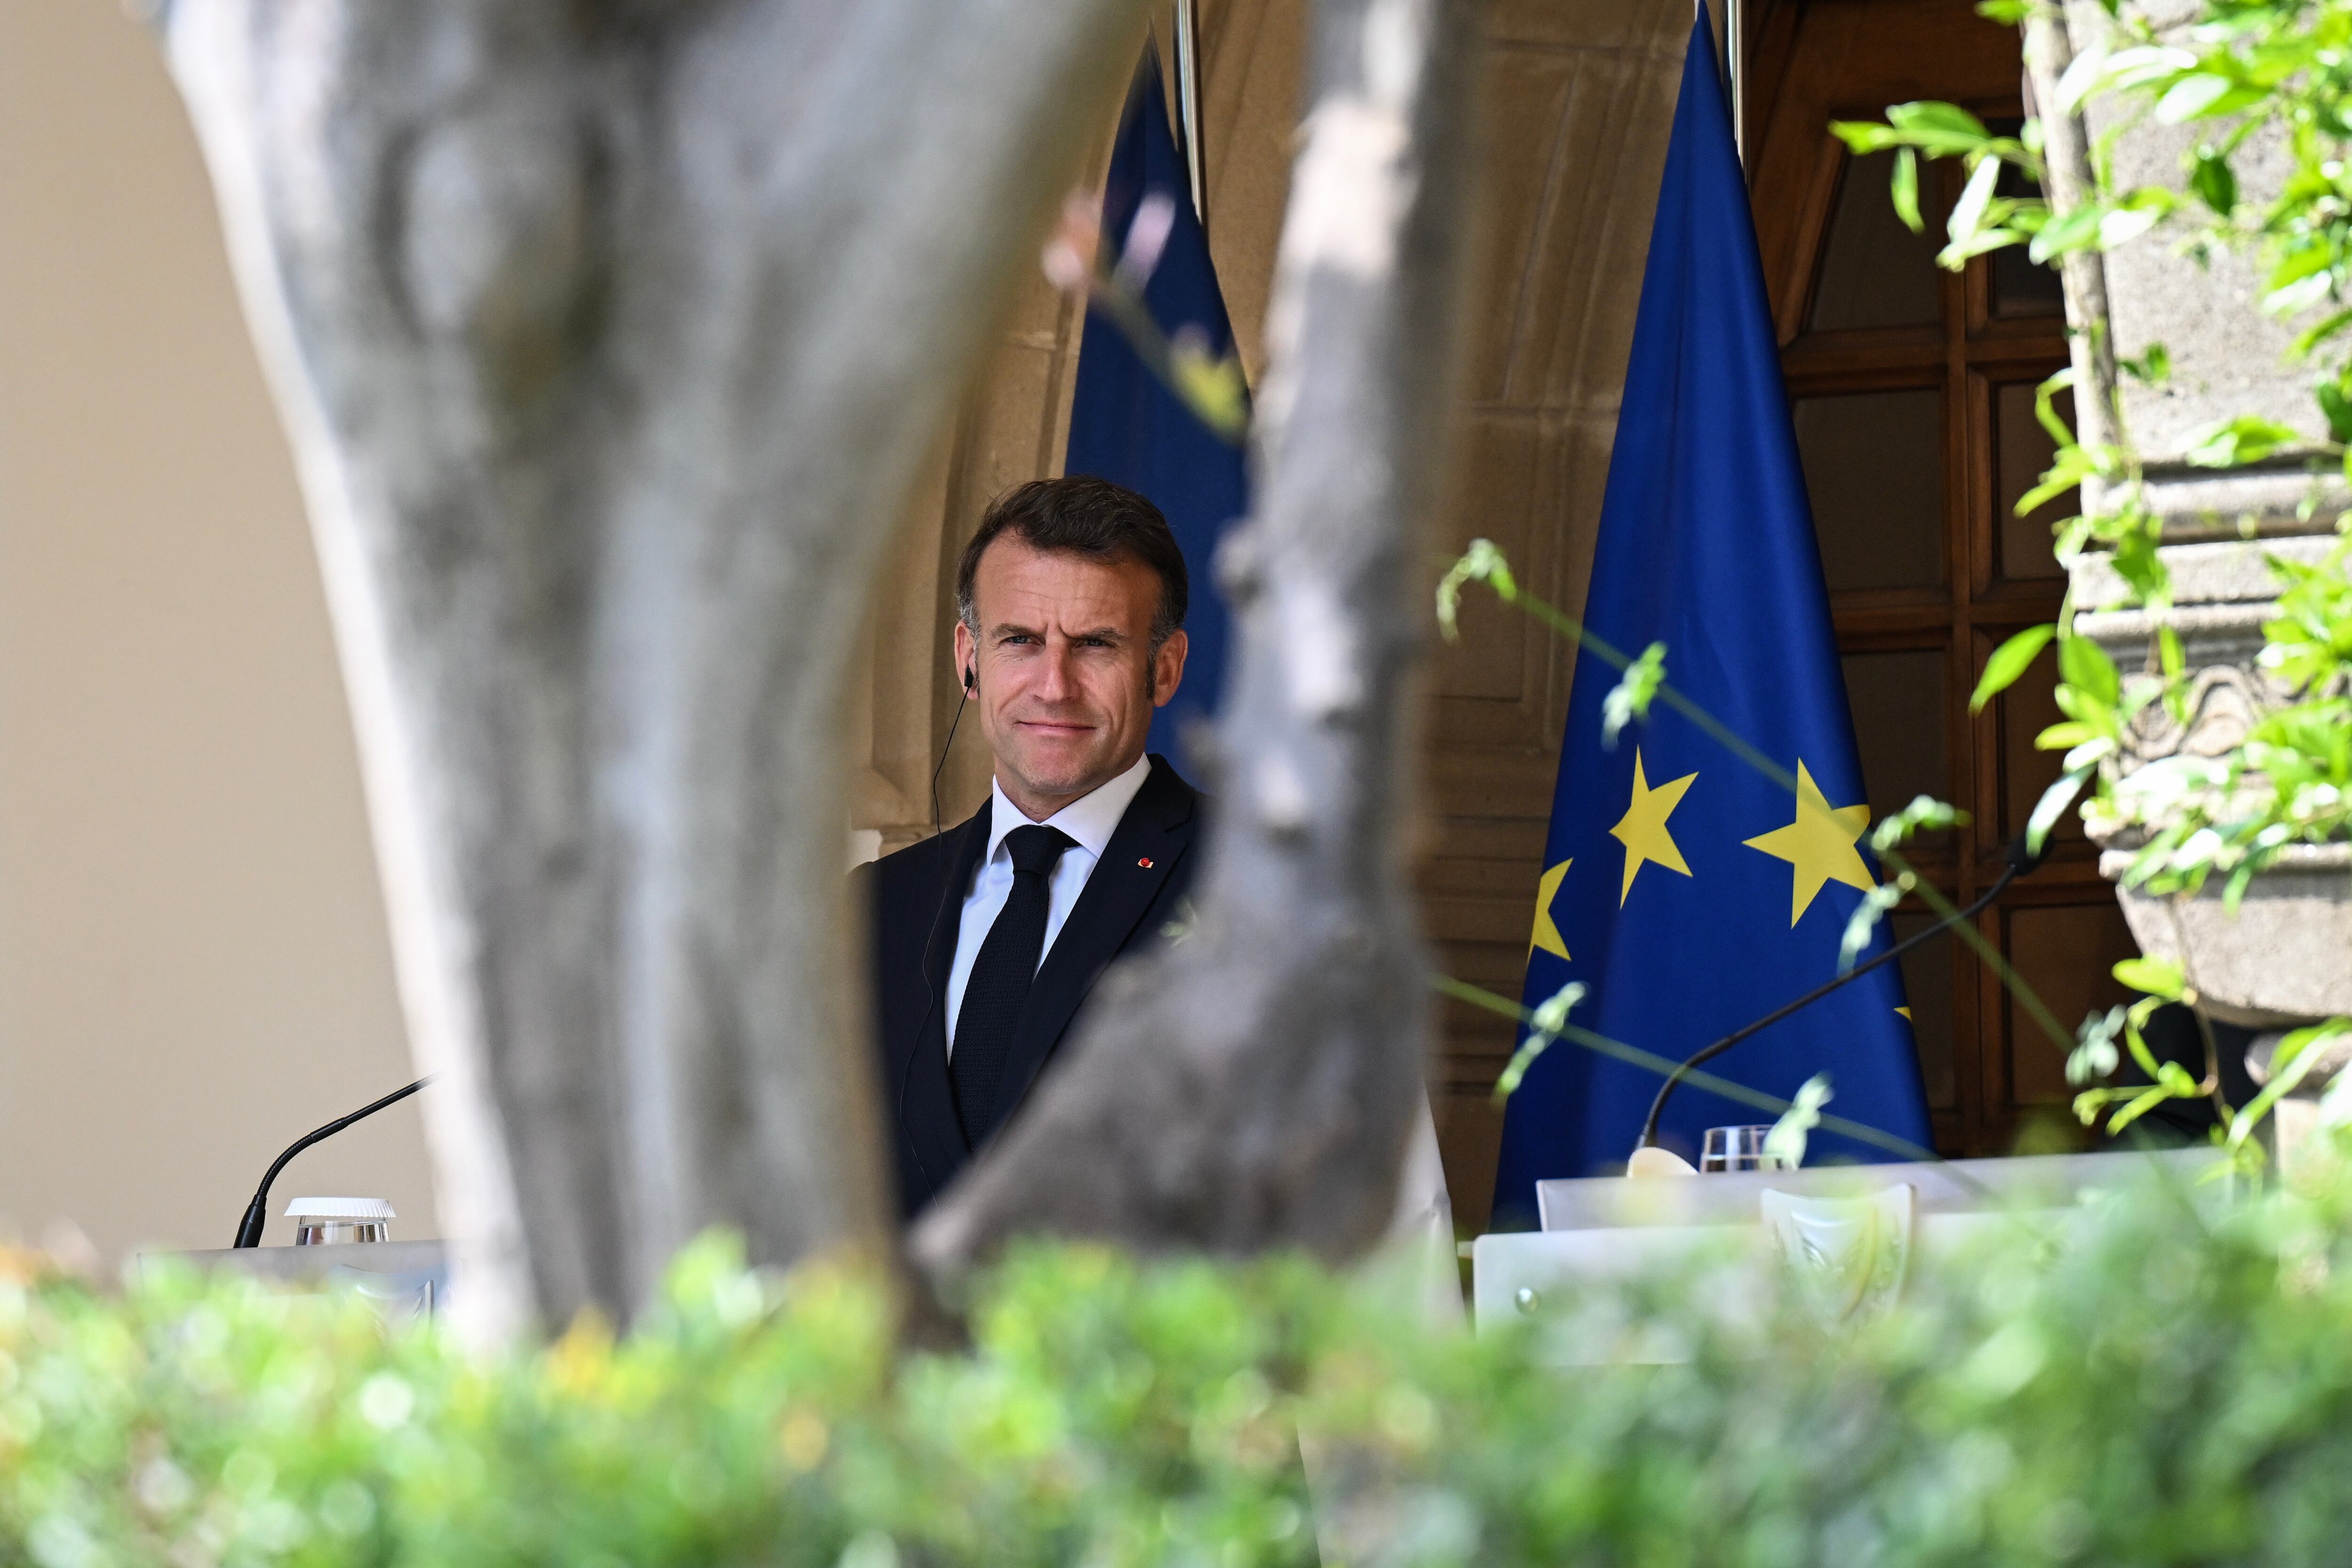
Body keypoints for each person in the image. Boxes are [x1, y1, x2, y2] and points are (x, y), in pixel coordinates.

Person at [857, 476, 1205, 1219]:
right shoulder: (872, 908)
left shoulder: (1255, 886)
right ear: (969, 659)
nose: (1055, 685)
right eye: (1020, 640)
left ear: (1165, 668)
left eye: (1096, 645)